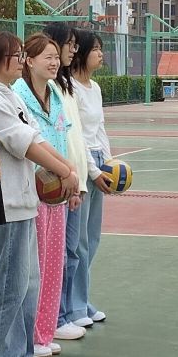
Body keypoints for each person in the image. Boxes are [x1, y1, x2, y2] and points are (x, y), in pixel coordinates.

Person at [0, 32, 78, 357]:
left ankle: (19, 350)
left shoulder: (7, 95)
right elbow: (23, 142)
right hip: (6, 202)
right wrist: (64, 171)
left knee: (27, 281)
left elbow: (37, 138)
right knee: (7, 283)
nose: (20, 60)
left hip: (23, 200)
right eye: (15, 55)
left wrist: (67, 168)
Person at [15, 35, 82, 357]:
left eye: (57, 56)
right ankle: (30, 336)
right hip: (33, 189)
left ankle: (45, 330)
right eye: (48, 57)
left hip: (58, 190)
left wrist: (71, 181)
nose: (55, 62)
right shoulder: (17, 95)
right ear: (29, 61)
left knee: (54, 264)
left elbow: (62, 138)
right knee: (34, 268)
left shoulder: (55, 93)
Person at [61, 30, 115, 329]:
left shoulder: (94, 87)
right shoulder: (70, 88)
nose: (101, 54)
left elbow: (100, 128)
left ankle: (80, 298)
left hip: (97, 160)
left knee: (92, 238)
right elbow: (77, 134)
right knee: (77, 241)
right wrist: (93, 171)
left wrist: (108, 163)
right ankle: (73, 306)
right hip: (81, 162)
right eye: (95, 49)